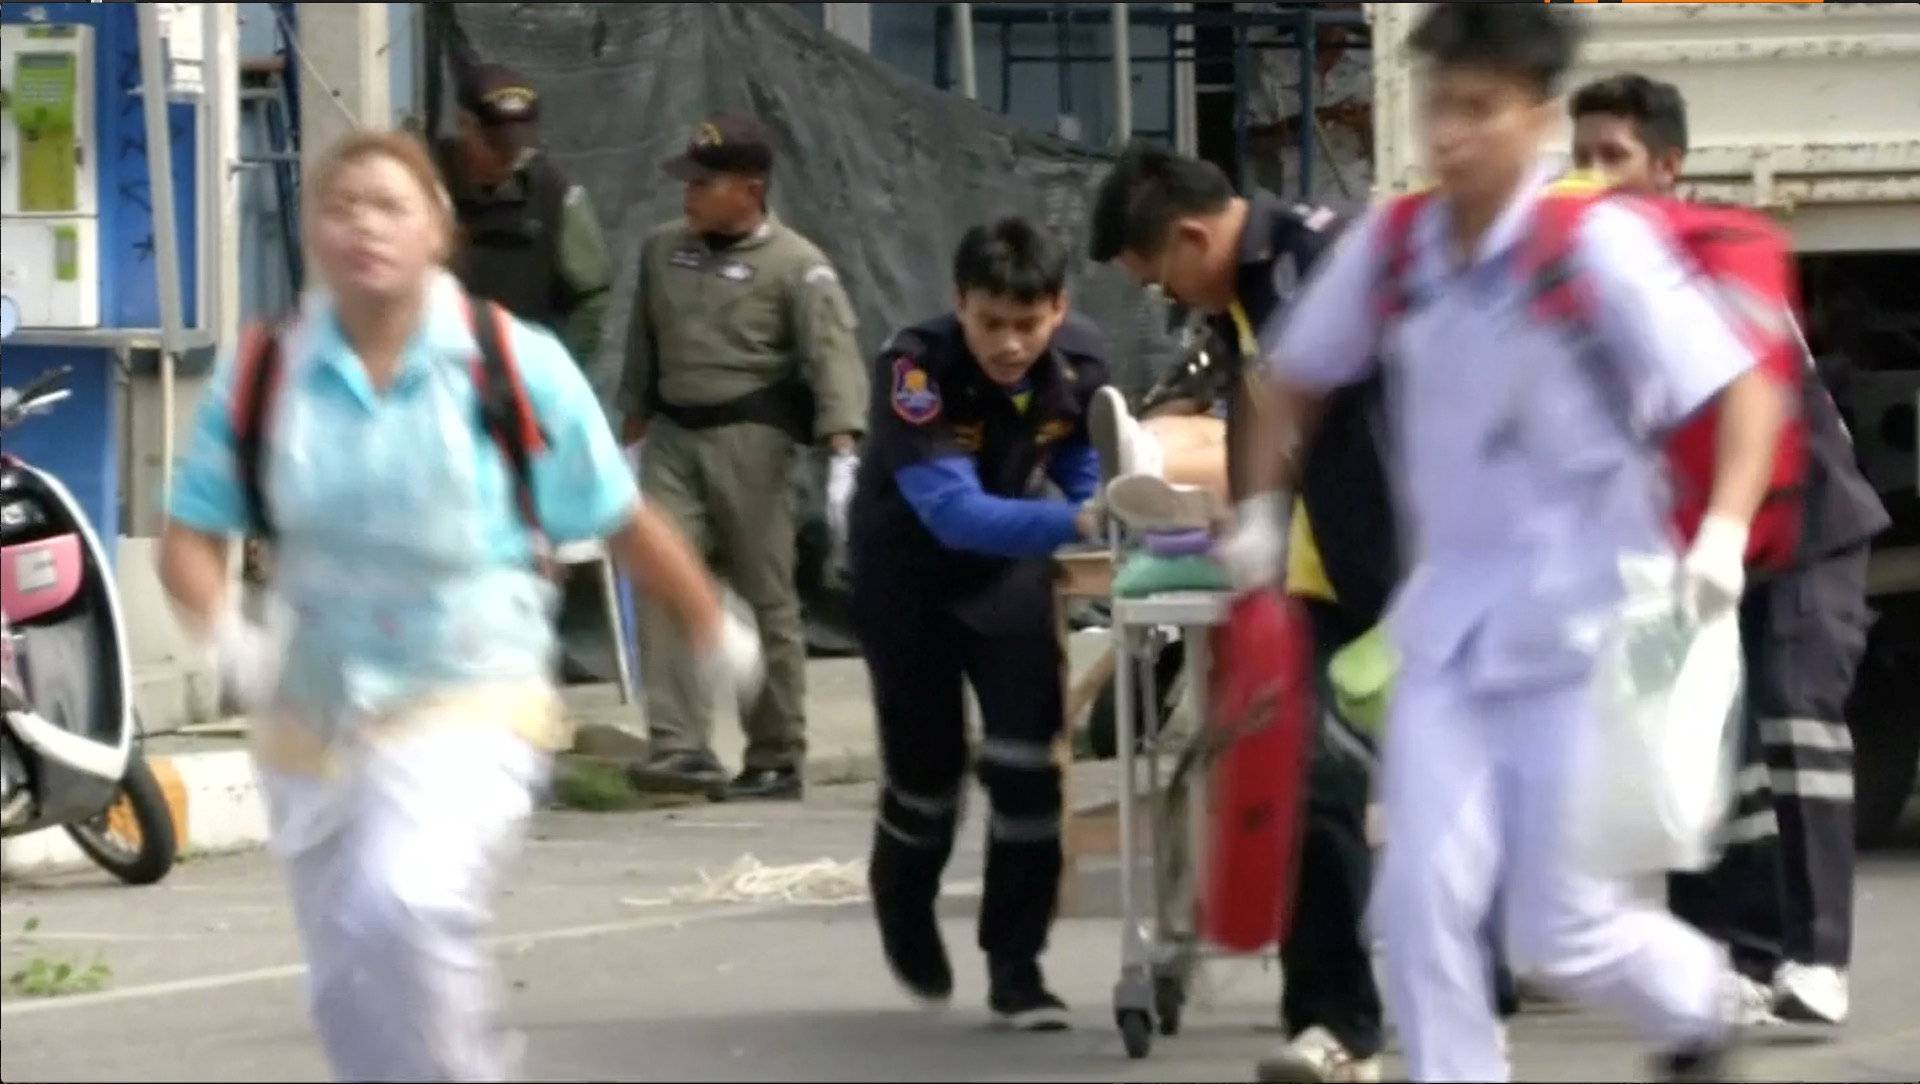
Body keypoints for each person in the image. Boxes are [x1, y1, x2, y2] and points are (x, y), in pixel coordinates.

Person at [1223, 6, 1789, 1080]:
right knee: (1424, 899)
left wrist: (1720, 533)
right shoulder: (1394, 248)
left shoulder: (1597, 250)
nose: (1451, 135)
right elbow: (1288, 380)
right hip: (1448, 629)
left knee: (1553, 926)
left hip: (1584, 629)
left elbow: (1746, 390)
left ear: (1535, 120)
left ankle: (1691, 1001)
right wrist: (1257, 517)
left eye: (1479, 110)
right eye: (1440, 107)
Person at [156, 130, 759, 1083]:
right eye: (340, 205)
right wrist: (226, 633)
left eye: (389, 205)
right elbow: (191, 534)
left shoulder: (508, 362)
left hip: (469, 691)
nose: (363, 225)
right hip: (311, 713)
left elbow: (618, 515)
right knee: (349, 978)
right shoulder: (269, 369)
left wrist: (707, 623)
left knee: (407, 901)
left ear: (438, 228)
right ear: (311, 230)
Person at [1572, 72, 1891, 1027]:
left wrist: (1718, 539)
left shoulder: (1726, 252)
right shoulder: (1589, 287)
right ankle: (1731, 962)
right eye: (1579, 159)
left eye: (1614, 158)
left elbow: (1759, 393)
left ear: (1668, 167)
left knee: (1796, 715)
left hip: (1803, 533)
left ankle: (1817, 959)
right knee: (1705, 748)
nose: (1593, 180)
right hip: (1690, 547)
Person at [1089, 144, 1392, 1083]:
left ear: (1189, 236)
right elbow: (1259, 398)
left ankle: (1477, 995)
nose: (1167, 299)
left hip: (1426, 556)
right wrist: (1258, 516)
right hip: (1336, 563)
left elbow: (1302, 389)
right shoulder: (1248, 294)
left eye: (1158, 278)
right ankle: (1336, 1024)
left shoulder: (1316, 260)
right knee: (1317, 780)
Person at [850, 218, 1106, 1030]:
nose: (1008, 344)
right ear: (959, 304)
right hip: (908, 578)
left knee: (1030, 771)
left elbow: (1079, 459)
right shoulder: (914, 369)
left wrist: (1104, 499)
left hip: (1009, 580)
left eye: (1027, 325)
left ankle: (1017, 966)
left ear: (1059, 309)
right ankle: (903, 898)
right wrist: (1082, 525)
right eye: (990, 322)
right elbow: (952, 513)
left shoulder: (1081, 363)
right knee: (927, 779)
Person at [617, 113, 868, 802]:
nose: (689, 195)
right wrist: (630, 432)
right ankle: (678, 746)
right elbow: (643, 345)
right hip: (673, 436)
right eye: (688, 181)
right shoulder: (663, 250)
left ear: (750, 189)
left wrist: (842, 448)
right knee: (666, 581)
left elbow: (831, 356)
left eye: (705, 182)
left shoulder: (797, 266)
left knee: (767, 599)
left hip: (753, 443)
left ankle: (775, 752)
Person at [438, 63, 612, 374]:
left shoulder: (555, 197)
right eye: (496, 144)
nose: (508, 155)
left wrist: (555, 374)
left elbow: (591, 301)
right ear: (464, 124)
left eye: (517, 145)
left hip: (519, 384)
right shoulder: (421, 186)